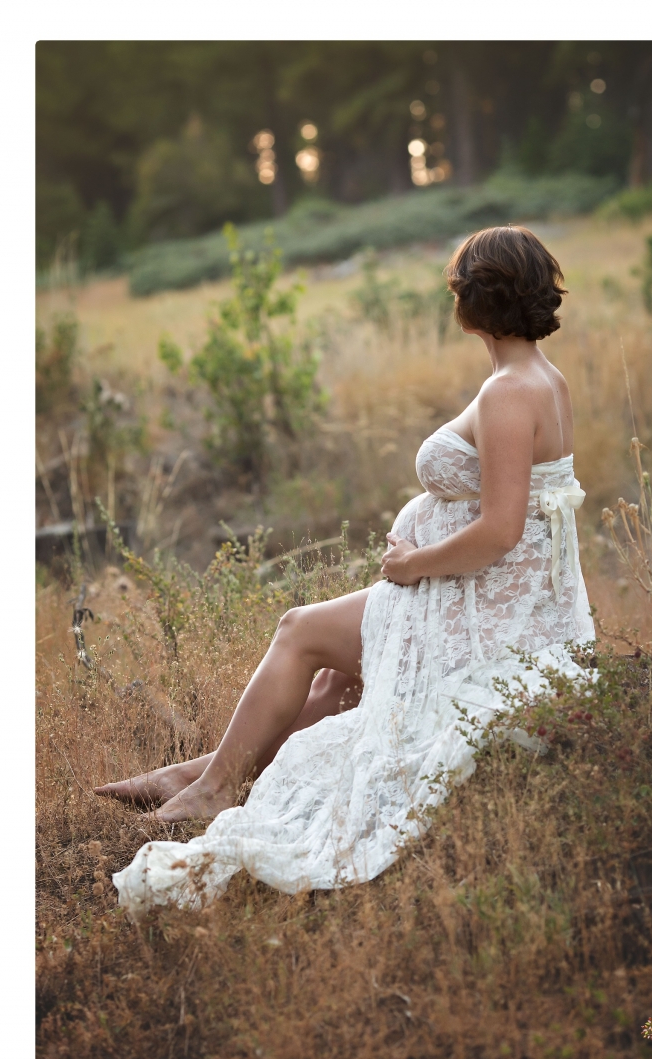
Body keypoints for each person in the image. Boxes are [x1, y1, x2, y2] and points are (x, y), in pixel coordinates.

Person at [103, 225, 595, 920]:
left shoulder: (510, 392)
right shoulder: (540, 377)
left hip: (486, 607)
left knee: (299, 630)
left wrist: (411, 564)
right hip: (487, 594)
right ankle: (204, 769)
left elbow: (501, 530)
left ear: (472, 301)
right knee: (339, 679)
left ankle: (213, 788)